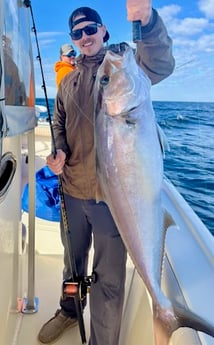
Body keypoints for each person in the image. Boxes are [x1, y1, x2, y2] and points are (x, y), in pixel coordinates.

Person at [38, 2, 175, 345]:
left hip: (111, 200)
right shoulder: (67, 82)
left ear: (103, 31)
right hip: (71, 191)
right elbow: (59, 123)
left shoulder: (123, 68)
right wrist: (59, 151)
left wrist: (147, 20)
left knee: (108, 281)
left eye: (90, 29)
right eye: (77, 32)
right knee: (72, 266)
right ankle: (69, 312)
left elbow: (159, 62)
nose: (84, 37)